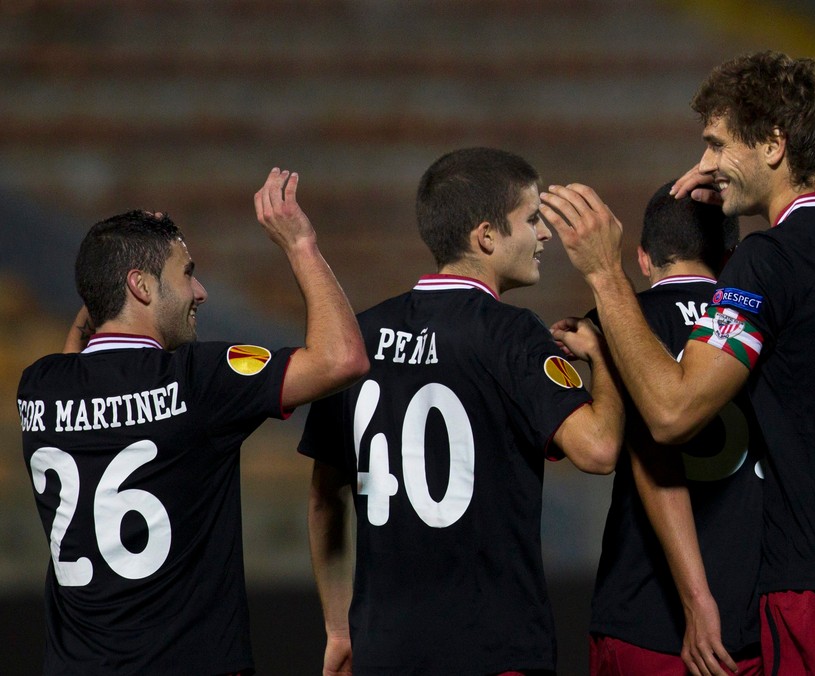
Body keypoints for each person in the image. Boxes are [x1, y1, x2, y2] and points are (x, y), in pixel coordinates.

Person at [540, 50, 815, 674]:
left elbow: (672, 412)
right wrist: (732, 180)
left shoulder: (769, 261)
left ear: (773, 143)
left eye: (715, 145)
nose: (706, 163)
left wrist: (606, 274)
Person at [17, 168, 369, 675]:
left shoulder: (40, 385)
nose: (200, 292)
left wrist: (121, 264)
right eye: (187, 273)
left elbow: (85, 340)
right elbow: (344, 359)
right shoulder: (198, 379)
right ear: (140, 287)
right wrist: (301, 245)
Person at [301, 147, 624, 676]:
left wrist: (339, 628)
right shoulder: (510, 333)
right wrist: (604, 359)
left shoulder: (356, 336)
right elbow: (599, 448)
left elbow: (324, 497)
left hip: (385, 648)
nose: (544, 235)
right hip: (492, 648)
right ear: (486, 236)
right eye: (532, 219)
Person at [587, 182, 763, 676]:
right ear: (729, 257)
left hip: (639, 613)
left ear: (644, 259)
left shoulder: (616, 325)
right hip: (745, 619)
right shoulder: (760, 320)